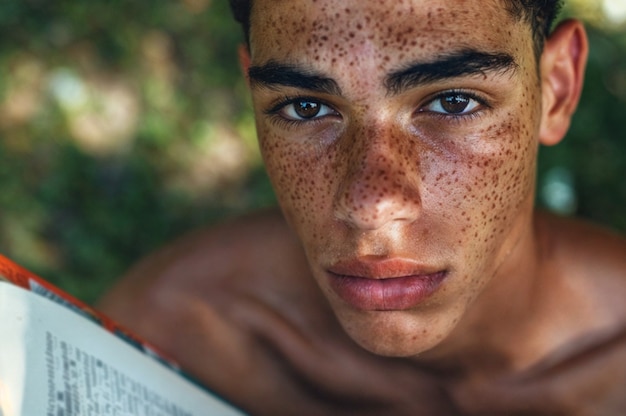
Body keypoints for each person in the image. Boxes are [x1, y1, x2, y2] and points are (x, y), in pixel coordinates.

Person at [98, 0, 626, 414]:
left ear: (556, 87)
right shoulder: (169, 341)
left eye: (453, 102)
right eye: (305, 107)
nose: (372, 207)